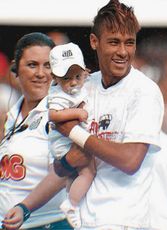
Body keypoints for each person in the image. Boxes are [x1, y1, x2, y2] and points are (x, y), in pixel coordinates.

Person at [2, 0, 164, 229]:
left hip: (123, 223)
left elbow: (130, 161)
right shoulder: (83, 86)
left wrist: (75, 133)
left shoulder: (144, 91)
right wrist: (25, 207)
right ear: (94, 42)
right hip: (80, 222)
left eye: (130, 43)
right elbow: (61, 167)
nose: (123, 51)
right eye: (114, 42)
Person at [0, 32, 75, 230]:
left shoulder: (61, 112)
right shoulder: (13, 115)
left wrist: (24, 208)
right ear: (16, 69)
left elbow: (62, 173)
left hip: (47, 224)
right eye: (32, 65)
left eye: (48, 65)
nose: (41, 73)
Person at [48, 42, 96, 229]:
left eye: (78, 76)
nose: (74, 82)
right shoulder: (59, 95)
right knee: (88, 171)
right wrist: (77, 113)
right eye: (67, 78)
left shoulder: (78, 86)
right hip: (64, 144)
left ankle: (71, 202)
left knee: (73, 177)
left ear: (85, 72)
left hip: (68, 142)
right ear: (55, 78)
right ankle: (71, 205)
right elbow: (54, 115)